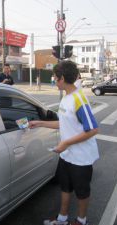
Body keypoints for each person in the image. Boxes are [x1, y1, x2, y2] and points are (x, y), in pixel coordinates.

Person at [29, 61, 99, 225]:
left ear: (61, 79)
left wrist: (66, 143)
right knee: (65, 187)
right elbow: (64, 123)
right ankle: (62, 219)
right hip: (67, 155)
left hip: (81, 158)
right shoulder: (66, 98)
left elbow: (93, 129)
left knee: (82, 192)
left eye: (54, 76)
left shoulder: (79, 99)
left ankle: (81, 221)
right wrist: (40, 123)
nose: (53, 79)